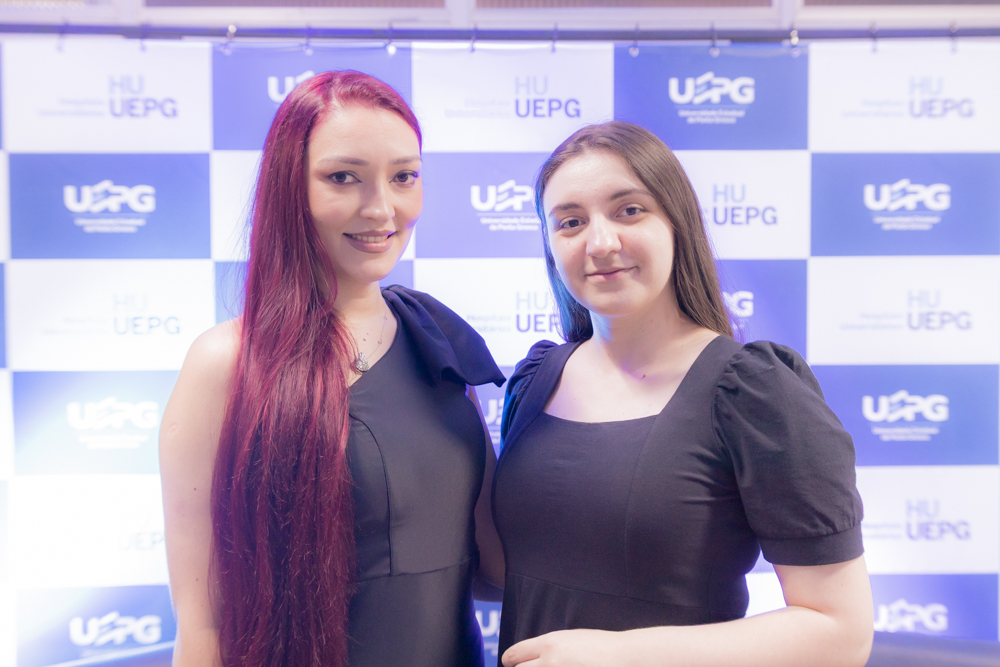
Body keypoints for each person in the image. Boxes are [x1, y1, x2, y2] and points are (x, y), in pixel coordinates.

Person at [492, 121, 873, 667]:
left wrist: (621, 656)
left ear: (677, 222)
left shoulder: (753, 391)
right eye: (570, 222)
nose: (601, 242)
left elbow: (841, 632)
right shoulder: (535, 380)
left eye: (629, 210)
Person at [159, 71, 505, 667]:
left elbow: (494, 565)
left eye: (404, 176)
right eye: (343, 177)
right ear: (290, 188)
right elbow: (203, 625)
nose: (382, 208)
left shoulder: (438, 342)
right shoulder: (227, 363)